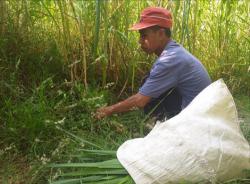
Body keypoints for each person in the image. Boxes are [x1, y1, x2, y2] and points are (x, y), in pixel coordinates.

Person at [95, 7, 211, 120]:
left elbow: (140, 101)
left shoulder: (170, 60)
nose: (140, 41)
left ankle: (160, 122)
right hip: (201, 112)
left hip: (196, 120)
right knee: (150, 82)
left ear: (161, 34)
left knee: (148, 89)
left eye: (144, 35)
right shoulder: (174, 52)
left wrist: (108, 110)